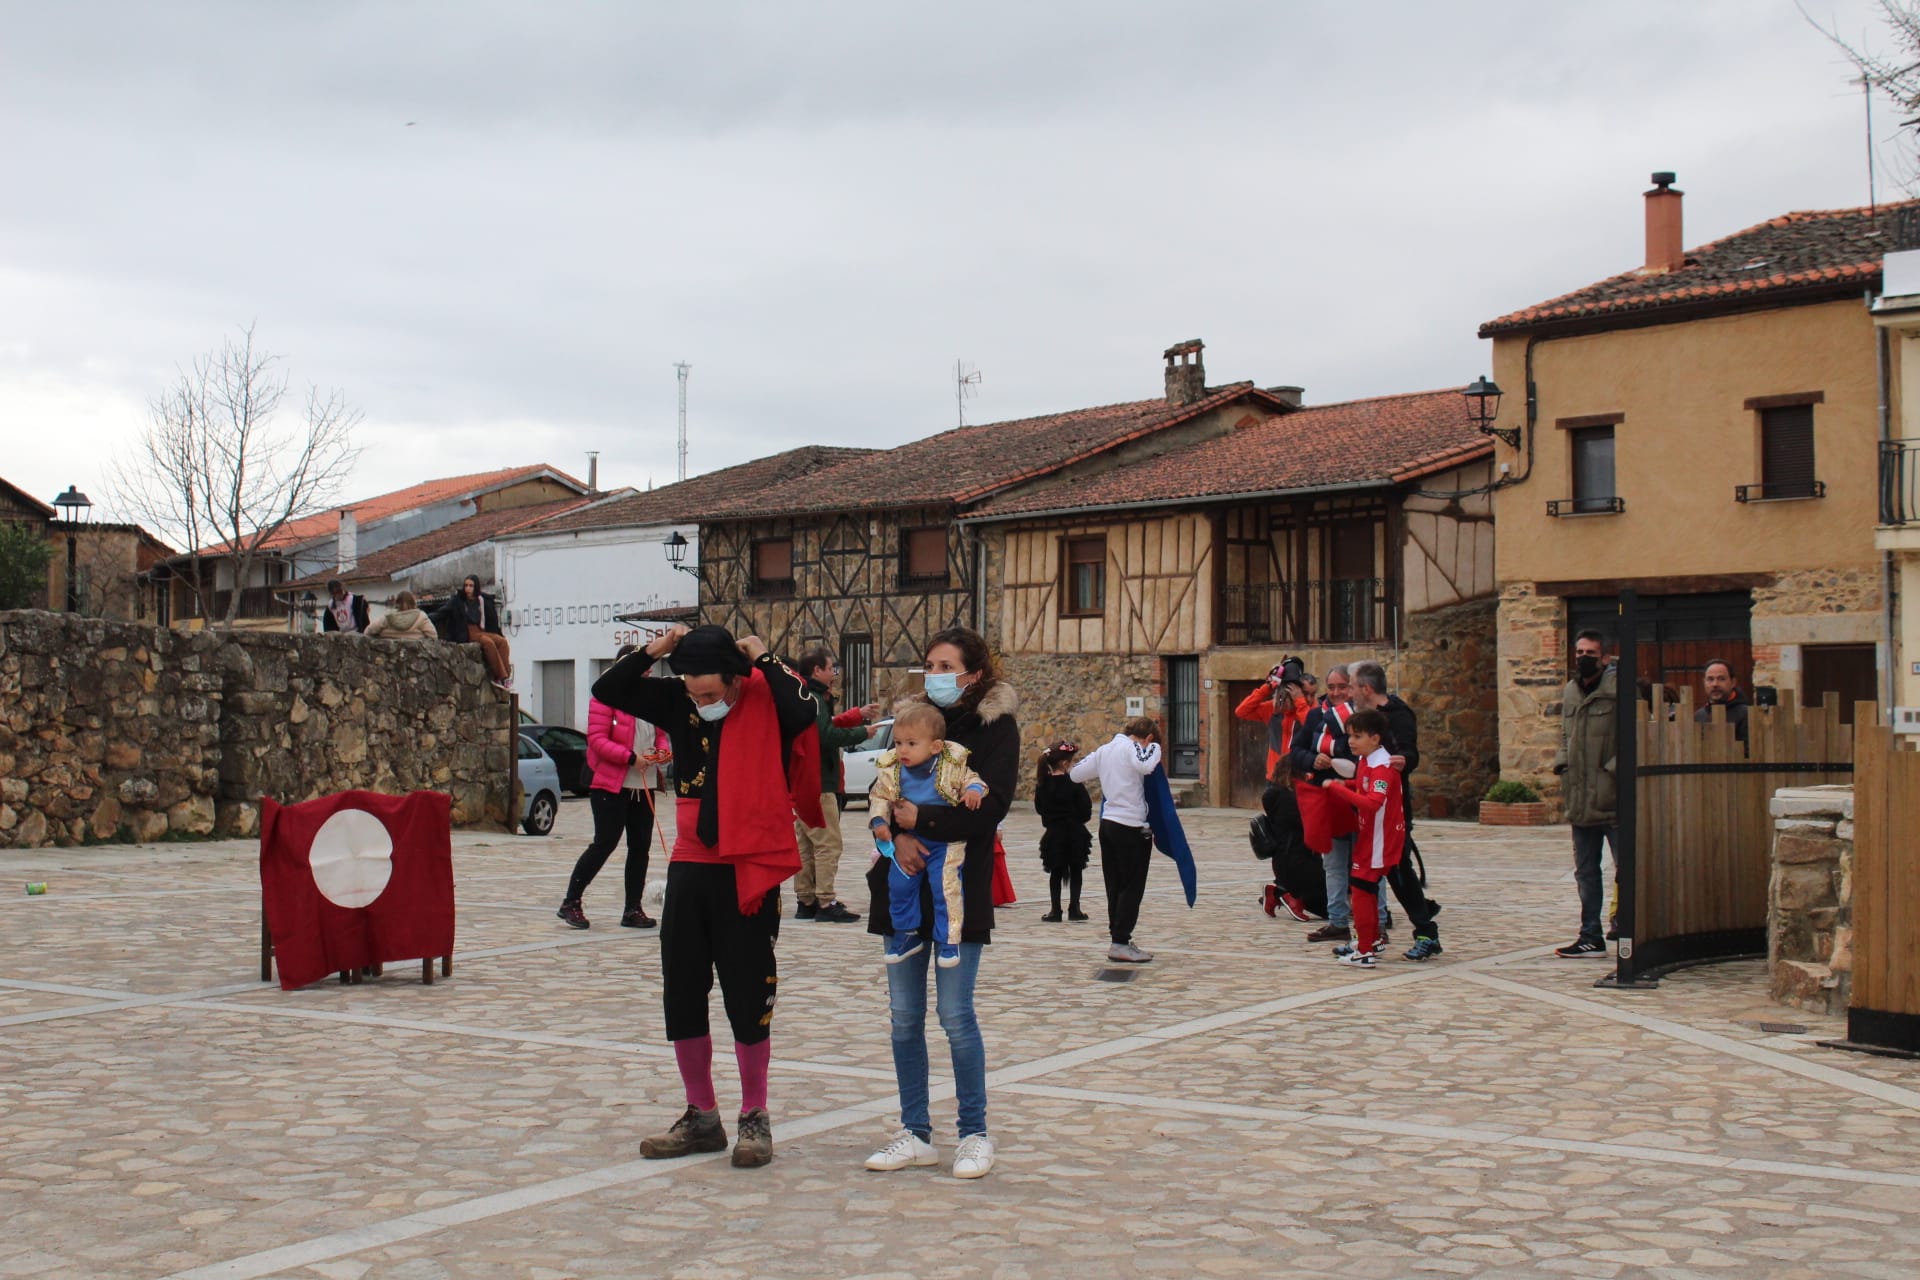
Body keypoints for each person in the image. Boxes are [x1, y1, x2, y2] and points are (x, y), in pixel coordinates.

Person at [590, 623, 819, 1169]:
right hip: (692, 861)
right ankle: (701, 1115)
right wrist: (657, 650)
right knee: (683, 989)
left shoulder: (765, 699)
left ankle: (754, 1116)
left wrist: (762, 655)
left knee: (747, 993)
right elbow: (608, 691)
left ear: (737, 679)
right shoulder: (677, 698)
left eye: (711, 692)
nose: (701, 700)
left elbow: (805, 707)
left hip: (748, 864)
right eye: (693, 690)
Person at [863, 626, 1018, 1181]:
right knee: (904, 1018)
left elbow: (988, 810)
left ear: (973, 674)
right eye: (929, 664)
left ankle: (974, 1133)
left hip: (959, 888)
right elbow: (884, 797)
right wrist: (895, 837)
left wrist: (920, 821)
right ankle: (915, 1131)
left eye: (946, 665)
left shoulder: (995, 728)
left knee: (955, 1016)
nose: (935, 674)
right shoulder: (911, 723)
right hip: (900, 879)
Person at [868, 702, 988, 967]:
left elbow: (973, 779)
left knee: (944, 889)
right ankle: (906, 933)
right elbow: (879, 795)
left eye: (911, 744)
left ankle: (949, 940)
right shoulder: (892, 770)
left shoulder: (952, 763)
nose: (902, 750)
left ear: (935, 746)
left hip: (944, 843)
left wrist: (974, 791)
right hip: (908, 842)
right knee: (899, 887)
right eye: (898, 743)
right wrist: (879, 821)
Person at [557, 645, 668, 931]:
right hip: (611, 782)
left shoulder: (648, 696)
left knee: (640, 847)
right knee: (605, 842)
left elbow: (661, 733)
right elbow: (596, 738)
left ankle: (633, 908)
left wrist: (663, 752)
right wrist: (630, 757)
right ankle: (571, 901)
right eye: (644, 667)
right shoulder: (605, 694)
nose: (649, 672)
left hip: (644, 783)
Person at [1349, 660, 1439, 960]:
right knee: (1369, 877)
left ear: (1366, 688)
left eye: (1351, 686)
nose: (1349, 692)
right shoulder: (1363, 717)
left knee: (1398, 872)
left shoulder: (1397, 714)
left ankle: (1426, 931)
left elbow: (1410, 752)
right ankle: (1370, 936)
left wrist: (1403, 761)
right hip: (1370, 813)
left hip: (1392, 810)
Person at [1290, 664, 1380, 945]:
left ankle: (1379, 919)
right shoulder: (1316, 716)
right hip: (1329, 799)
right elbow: (1296, 751)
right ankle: (1338, 921)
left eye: (1342, 687)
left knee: (1369, 863)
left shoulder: (1364, 717)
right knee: (1333, 864)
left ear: (1352, 688)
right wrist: (1311, 760)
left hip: (1359, 798)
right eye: (1331, 687)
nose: (1337, 692)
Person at [792, 647, 876, 923]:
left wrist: (855, 715)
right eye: (832, 669)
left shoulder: (803, 696)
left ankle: (806, 899)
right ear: (817, 670)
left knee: (806, 843)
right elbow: (825, 736)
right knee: (828, 844)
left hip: (803, 781)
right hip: (819, 782)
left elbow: (822, 727)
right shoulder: (815, 699)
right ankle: (826, 902)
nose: (835, 674)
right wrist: (862, 731)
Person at [1070, 715, 1163, 965]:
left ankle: (1118, 939)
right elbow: (1146, 765)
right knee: (1132, 886)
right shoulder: (1135, 747)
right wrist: (1154, 748)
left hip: (1108, 823)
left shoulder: (1105, 750)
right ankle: (1121, 941)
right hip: (1131, 825)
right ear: (1148, 737)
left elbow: (1076, 774)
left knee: (1115, 884)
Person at [1320, 708, 1405, 969]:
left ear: (1375, 738)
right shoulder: (1366, 761)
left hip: (1380, 840)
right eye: (1349, 736)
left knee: (1361, 892)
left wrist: (1336, 789)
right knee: (1362, 891)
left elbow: (1372, 803)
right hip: (1369, 836)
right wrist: (1345, 785)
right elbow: (1361, 787)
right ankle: (1371, 940)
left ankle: (1365, 951)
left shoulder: (1383, 768)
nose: (1351, 741)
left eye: (1357, 736)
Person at [1553, 630, 1618, 959]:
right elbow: (1565, 734)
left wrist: (1612, 771)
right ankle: (1590, 934)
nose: (1583, 657)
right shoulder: (1570, 691)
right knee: (1586, 872)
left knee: (1627, 868)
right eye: (1579, 651)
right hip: (1579, 798)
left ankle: (1630, 926)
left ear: (1605, 657)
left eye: (1590, 652)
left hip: (1612, 799)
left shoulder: (1619, 689)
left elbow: (1635, 737)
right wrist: (1562, 763)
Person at [1034, 741, 1092, 923]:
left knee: (1056, 873)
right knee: (1076, 870)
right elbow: (1086, 810)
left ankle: (1055, 910)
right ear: (1066, 764)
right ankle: (1074, 908)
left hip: (1054, 833)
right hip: (1075, 834)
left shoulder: (1043, 785)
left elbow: (1040, 809)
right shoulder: (1075, 784)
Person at [1234, 659, 1311, 782]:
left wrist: (1300, 702)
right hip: (1274, 777)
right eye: (1281, 694)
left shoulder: (1305, 708)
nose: (1284, 700)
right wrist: (1267, 687)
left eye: (1288, 695)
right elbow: (1241, 711)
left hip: (1300, 778)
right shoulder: (1272, 709)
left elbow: (1312, 729)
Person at [433, 575, 512, 691]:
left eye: (471, 586)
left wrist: (498, 632)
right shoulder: (457, 601)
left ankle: (505, 678)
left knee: (502, 642)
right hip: (466, 631)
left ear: (476, 587)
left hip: (481, 629)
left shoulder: (482, 601)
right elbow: (442, 613)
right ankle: (501, 676)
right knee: (488, 643)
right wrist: (424, 618)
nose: (468, 589)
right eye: (466, 585)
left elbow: (492, 620)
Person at [1696, 658, 1751, 744]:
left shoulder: (1746, 714)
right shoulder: (1700, 715)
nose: (1715, 684)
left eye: (1721, 679)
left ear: (1733, 682)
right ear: (1704, 682)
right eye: (1710, 679)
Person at [363, 590, 436, 641]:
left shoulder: (388, 617)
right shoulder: (421, 617)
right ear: (413, 602)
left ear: (397, 603)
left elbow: (368, 631)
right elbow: (433, 636)